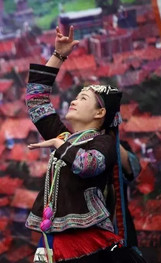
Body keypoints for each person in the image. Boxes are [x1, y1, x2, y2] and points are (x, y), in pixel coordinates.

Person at [25, 26, 146, 263]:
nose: (73, 100)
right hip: (52, 239)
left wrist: (60, 146)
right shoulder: (64, 137)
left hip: (85, 240)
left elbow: (87, 164)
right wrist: (58, 55)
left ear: (100, 112)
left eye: (83, 98)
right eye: (76, 96)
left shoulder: (105, 143)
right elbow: (36, 98)